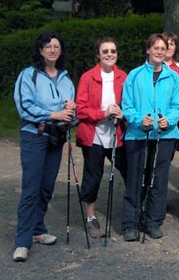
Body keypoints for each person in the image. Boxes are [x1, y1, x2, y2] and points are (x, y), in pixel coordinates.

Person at [12, 31, 76, 262]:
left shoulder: (66, 79)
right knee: (31, 187)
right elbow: (24, 108)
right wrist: (54, 113)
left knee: (47, 186)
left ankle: (38, 229)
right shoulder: (28, 76)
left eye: (56, 46)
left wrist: (71, 109)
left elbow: (70, 111)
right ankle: (22, 241)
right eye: (48, 46)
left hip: (55, 137)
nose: (52, 50)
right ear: (40, 50)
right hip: (34, 136)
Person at [121, 34, 179, 241]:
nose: (159, 51)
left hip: (165, 136)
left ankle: (153, 221)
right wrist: (139, 120)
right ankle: (131, 222)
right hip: (138, 135)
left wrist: (170, 120)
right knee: (135, 179)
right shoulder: (135, 75)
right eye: (155, 48)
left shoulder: (174, 77)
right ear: (147, 50)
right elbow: (127, 105)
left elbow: (178, 106)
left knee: (159, 180)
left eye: (163, 48)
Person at [75, 37, 128, 238]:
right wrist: (103, 113)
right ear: (98, 55)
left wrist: (121, 112)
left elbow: (130, 102)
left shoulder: (124, 76)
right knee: (93, 176)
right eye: (105, 51)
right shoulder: (87, 77)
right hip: (94, 135)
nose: (109, 54)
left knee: (130, 171)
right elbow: (80, 109)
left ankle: (133, 211)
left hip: (118, 135)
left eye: (113, 51)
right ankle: (90, 216)